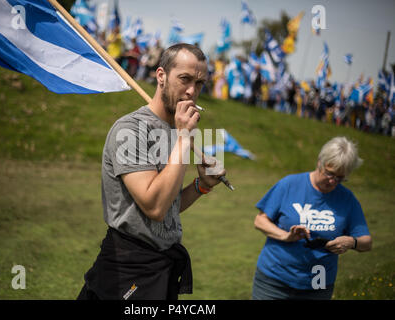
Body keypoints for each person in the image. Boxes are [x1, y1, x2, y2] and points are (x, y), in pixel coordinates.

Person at [77, 43, 226, 300]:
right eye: (184, 79)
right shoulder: (130, 130)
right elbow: (154, 206)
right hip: (127, 267)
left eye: (199, 83)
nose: (192, 91)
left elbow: (169, 205)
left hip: (161, 267)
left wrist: (201, 186)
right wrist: (183, 140)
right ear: (161, 76)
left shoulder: (175, 131)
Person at [252, 136, 372, 300]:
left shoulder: (347, 199)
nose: (332, 181)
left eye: (340, 178)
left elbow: (367, 242)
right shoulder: (289, 184)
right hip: (274, 281)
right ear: (319, 162)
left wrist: (352, 242)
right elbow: (260, 221)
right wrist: (286, 236)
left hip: (319, 282)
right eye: (329, 173)